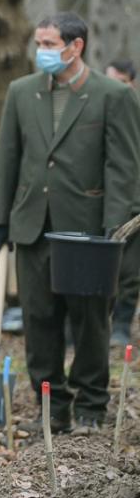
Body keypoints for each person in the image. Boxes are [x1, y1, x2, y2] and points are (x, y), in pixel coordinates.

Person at [0, 13, 140, 434]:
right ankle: (51, 406)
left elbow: (124, 167)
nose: (42, 52)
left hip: (89, 230)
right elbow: (7, 161)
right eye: (39, 43)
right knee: (39, 318)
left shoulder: (113, 96)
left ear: (76, 47)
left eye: (50, 44)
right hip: (33, 226)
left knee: (90, 317)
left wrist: (115, 227)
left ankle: (91, 404)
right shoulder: (22, 93)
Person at [105, 58, 140, 346]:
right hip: (99, 205)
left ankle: (121, 325)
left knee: (129, 273)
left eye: (121, 82)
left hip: (134, 208)